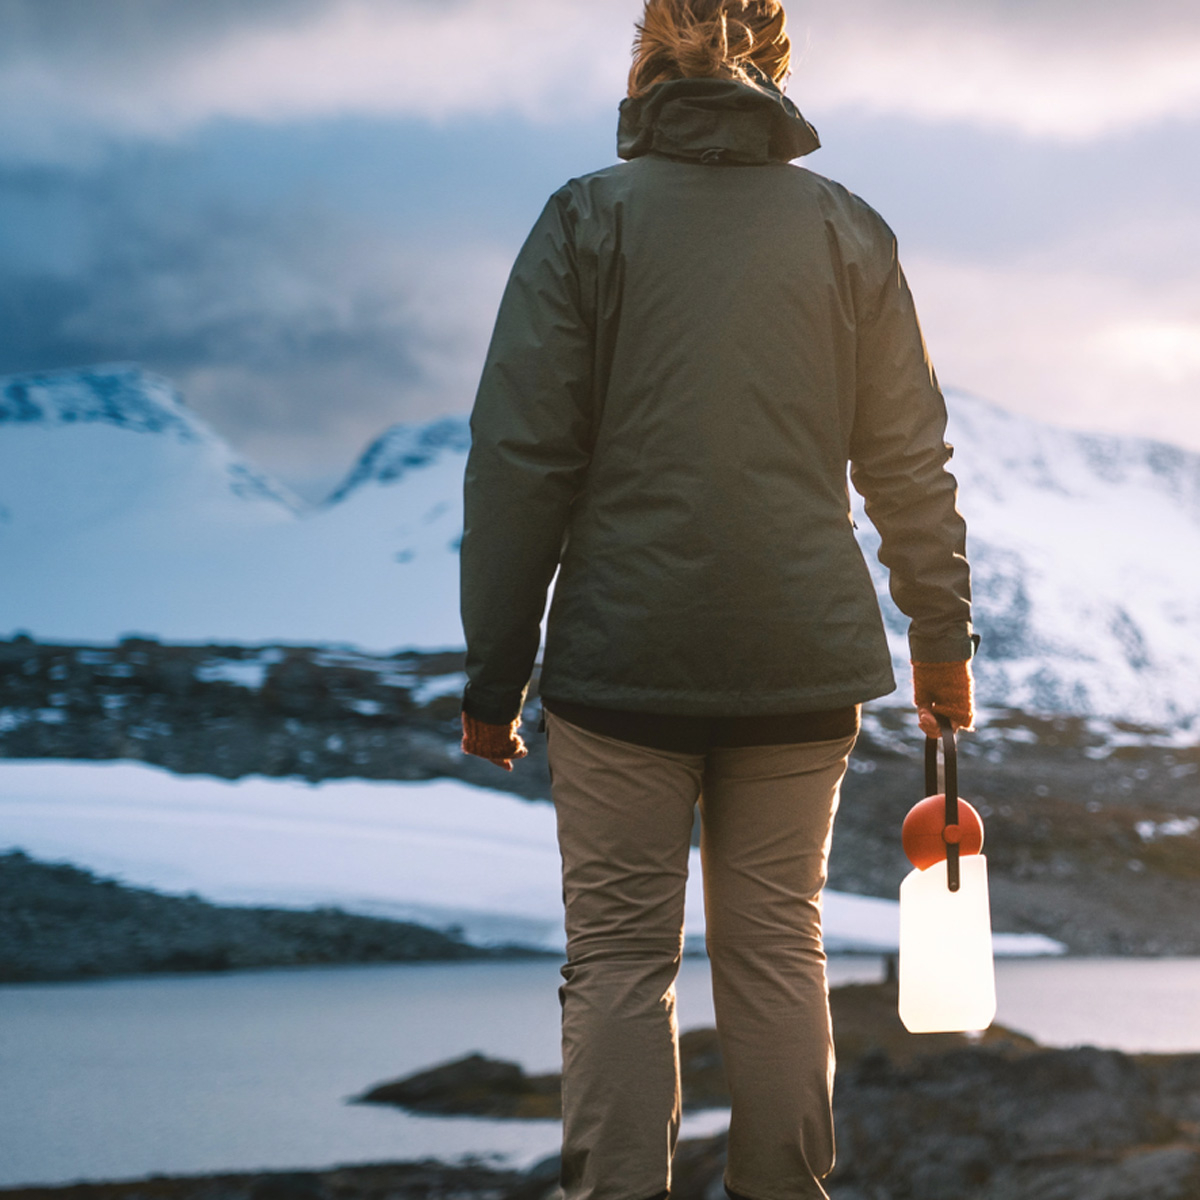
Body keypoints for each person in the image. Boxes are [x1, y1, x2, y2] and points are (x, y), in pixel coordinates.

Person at [459, 2, 977, 1197]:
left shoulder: (587, 219)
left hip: (620, 663)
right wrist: (941, 641)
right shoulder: (848, 229)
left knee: (620, 965)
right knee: (778, 958)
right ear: (776, 73)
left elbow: (522, 459)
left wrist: (497, 677)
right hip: (802, 662)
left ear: (642, 67)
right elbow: (908, 456)